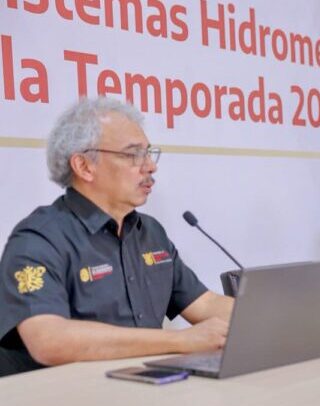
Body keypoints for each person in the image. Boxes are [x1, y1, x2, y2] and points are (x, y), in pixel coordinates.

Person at [1, 99, 235, 376]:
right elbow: (49, 340)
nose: (150, 166)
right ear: (84, 166)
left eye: (149, 153)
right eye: (133, 155)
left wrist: (278, 314)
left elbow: (204, 304)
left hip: (146, 392)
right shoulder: (39, 239)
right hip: (64, 405)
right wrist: (181, 341)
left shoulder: (150, 233)